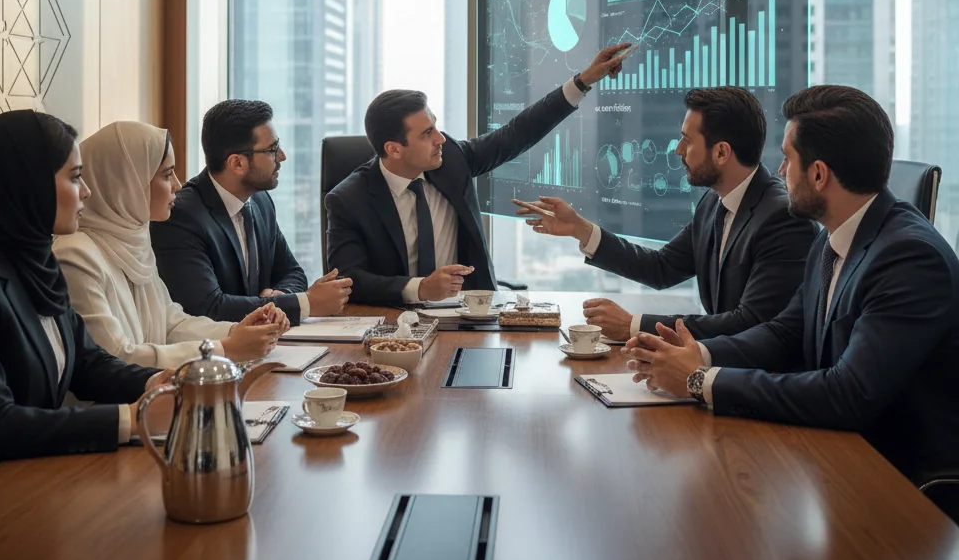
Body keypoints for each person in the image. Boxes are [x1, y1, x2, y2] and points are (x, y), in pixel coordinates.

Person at [624, 85, 959, 484]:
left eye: (787, 160)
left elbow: (848, 394)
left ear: (819, 174)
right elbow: (785, 332)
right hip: (834, 451)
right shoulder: (833, 238)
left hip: (896, 481)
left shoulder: (910, 259)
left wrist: (700, 381)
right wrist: (699, 355)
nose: (780, 172)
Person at [0, 111, 170, 498]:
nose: (87, 192)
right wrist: (130, 417)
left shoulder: (36, 259)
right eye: (75, 177)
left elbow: (88, 362)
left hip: (37, 481)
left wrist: (158, 384)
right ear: (25, 185)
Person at [325, 45, 632, 307]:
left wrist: (583, 81)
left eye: (436, 126)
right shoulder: (347, 200)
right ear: (394, 149)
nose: (441, 139)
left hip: (471, 314)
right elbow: (348, 280)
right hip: (395, 324)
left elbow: (518, 133)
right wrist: (419, 288)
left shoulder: (452, 160)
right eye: (427, 133)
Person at [516, 87, 818, 342]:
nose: (678, 150)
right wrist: (580, 229)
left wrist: (634, 325)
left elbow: (750, 323)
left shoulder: (782, 218)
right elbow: (662, 268)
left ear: (722, 153)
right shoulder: (714, 204)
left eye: (687, 140)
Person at [55, 121, 289, 369]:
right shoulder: (76, 255)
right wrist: (225, 348)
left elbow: (172, 323)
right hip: (114, 405)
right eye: (167, 175)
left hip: (152, 393)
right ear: (128, 182)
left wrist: (238, 331)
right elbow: (114, 358)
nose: (178, 184)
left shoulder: (133, 237)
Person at [152, 100, 351, 323]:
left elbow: (292, 272)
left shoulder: (260, 200)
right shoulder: (181, 216)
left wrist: (280, 298)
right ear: (237, 163)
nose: (282, 156)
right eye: (272, 150)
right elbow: (207, 307)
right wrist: (306, 303)